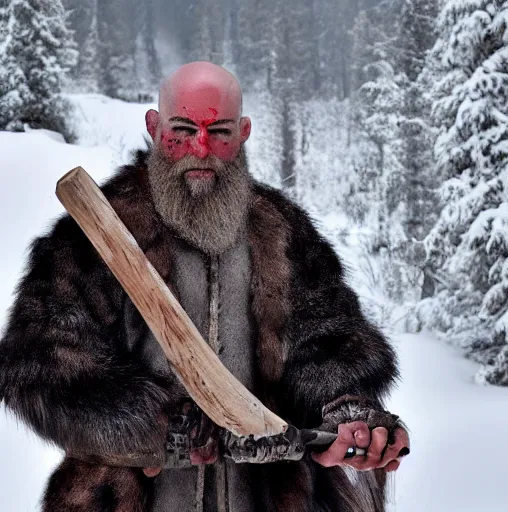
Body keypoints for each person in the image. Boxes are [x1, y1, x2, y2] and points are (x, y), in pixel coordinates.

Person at [0, 61, 409, 512]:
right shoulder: (93, 237)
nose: (201, 148)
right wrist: (153, 426)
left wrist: (348, 415)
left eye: (219, 132)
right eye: (183, 129)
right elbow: (40, 366)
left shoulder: (284, 231)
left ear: (244, 133)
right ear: (155, 127)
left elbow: (332, 345)